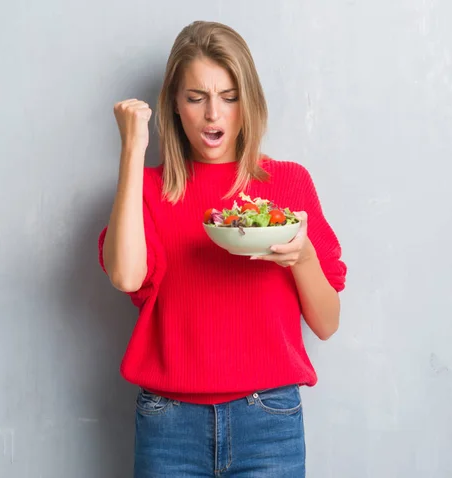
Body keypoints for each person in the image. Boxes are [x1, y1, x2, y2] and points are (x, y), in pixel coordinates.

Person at [98, 20, 347, 478]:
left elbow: (327, 324)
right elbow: (126, 276)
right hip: (168, 424)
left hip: (269, 422)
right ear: (174, 103)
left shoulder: (288, 184)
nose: (214, 114)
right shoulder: (149, 191)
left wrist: (304, 256)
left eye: (229, 97)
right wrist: (133, 149)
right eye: (196, 98)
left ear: (247, 103)